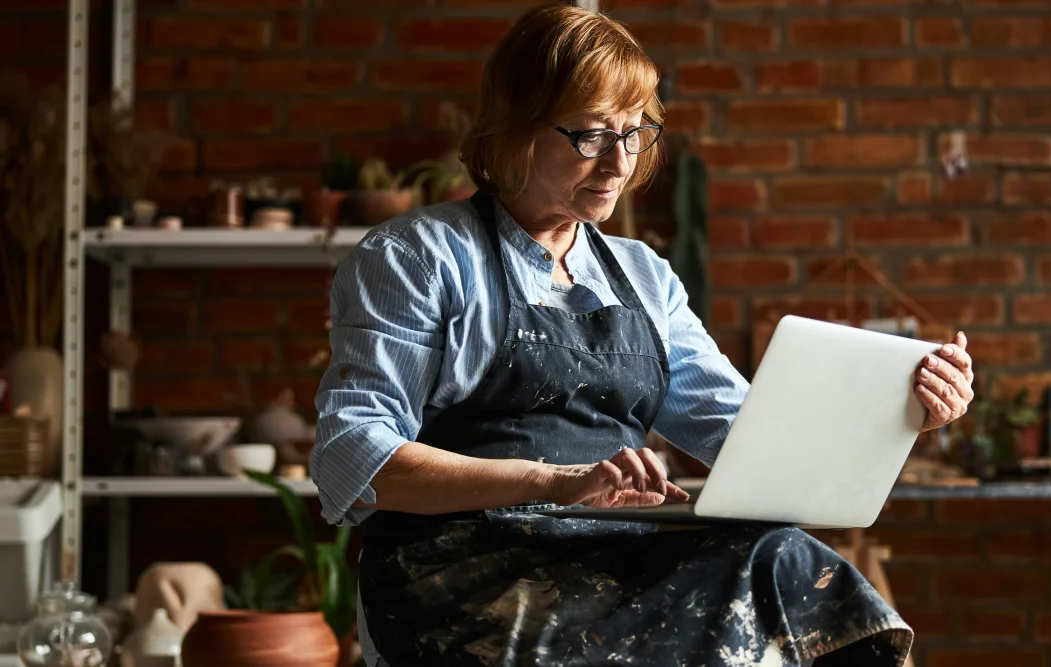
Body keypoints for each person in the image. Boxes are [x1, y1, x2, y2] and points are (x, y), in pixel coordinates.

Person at [312, 5, 975, 666]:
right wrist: (552, 481)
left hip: (611, 560)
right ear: (516, 127)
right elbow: (354, 458)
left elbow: (753, 441)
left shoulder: (642, 275)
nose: (619, 162)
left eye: (635, 133)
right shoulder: (417, 257)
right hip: (465, 575)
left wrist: (899, 414)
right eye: (592, 135)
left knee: (784, 559)